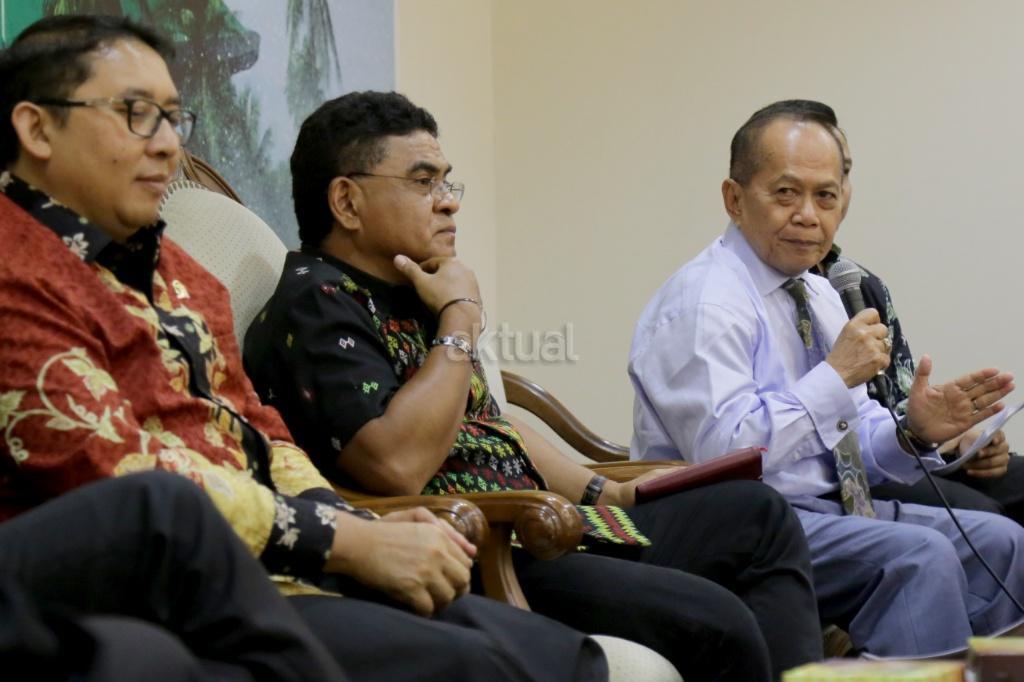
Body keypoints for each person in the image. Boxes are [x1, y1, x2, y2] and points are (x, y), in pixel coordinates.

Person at [0, 15, 607, 682]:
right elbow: (119, 481)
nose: (169, 145)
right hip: (153, 595)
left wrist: (356, 530)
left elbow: (261, 432)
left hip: (292, 556)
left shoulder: (183, 272)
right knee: (475, 663)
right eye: (138, 115)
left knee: (556, 655)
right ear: (37, 129)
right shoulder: (16, 270)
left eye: (174, 118)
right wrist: (349, 539)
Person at [244, 89, 823, 682]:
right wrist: (461, 319)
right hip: (488, 546)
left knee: (760, 515)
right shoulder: (317, 304)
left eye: (446, 181)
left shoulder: (413, 288)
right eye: (423, 182)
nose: (448, 202)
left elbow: (487, 424)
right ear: (347, 201)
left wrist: (604, 491)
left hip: (555, 524)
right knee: (717, 622)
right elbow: (397, 465)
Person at [628, 99, 1024, 657]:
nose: (808, 215)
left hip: (829, 508)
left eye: (826, 196)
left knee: (1004, 542)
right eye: (786, 193)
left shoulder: (817, 292)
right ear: (734, 199)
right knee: (920, 558)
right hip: (737, 526)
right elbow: (723, 457)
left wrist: (914, 430)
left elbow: (852, 440)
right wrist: (834, 377)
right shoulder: (704, 303)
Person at [809, 109, 1024, 525]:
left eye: (842, 174)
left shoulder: (858, 282)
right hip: (840, 471)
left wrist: (964, 438)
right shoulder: (770, 294)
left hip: (908, 449)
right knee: (983, 518)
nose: (832, 190)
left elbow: (902, 404)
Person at [0, 471, 345, 681]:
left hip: (264, 536)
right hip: (254, 544)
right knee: (149, 655)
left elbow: (264, 430)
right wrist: (338, 534)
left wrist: (336, 511)